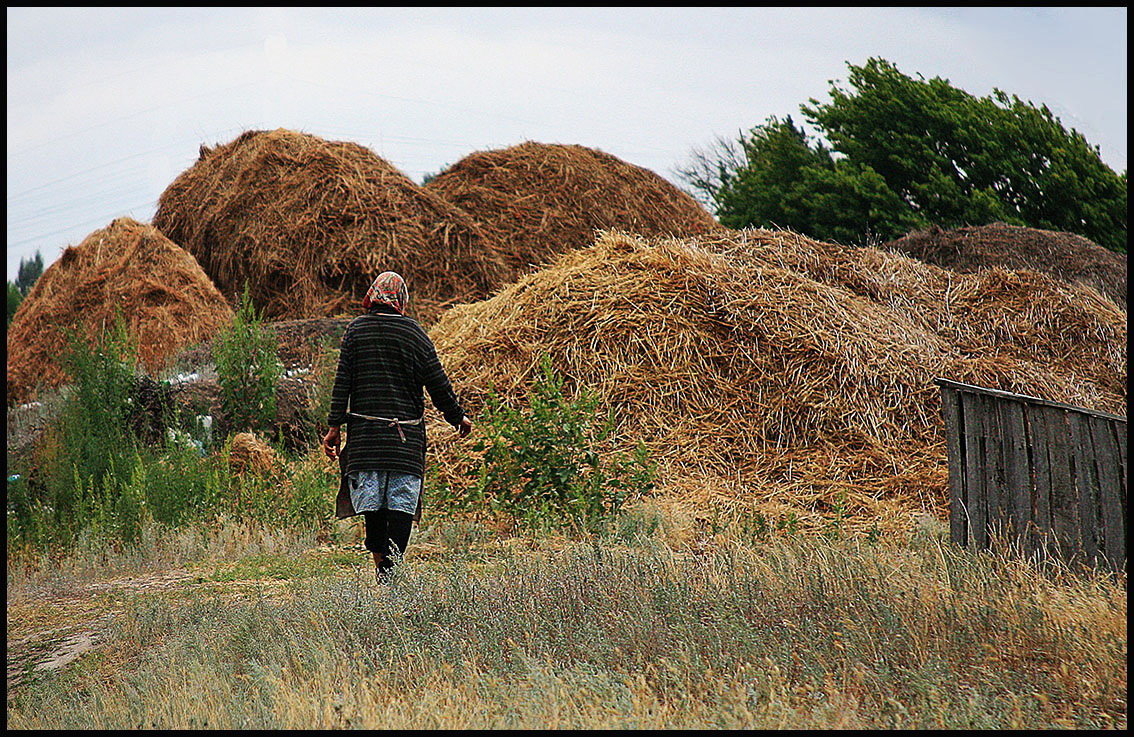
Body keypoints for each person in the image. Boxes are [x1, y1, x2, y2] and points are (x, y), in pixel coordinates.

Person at [322, 271, 472, 583]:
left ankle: (383, 572)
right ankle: (391, 574)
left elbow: (342, 383)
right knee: (401, 507)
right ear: (401, 300)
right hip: (405, 442)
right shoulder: (415, 334)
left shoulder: (356, 331)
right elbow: (438, 383)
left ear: (372, 296)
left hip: (366, 439)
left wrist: (334, 426)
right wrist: (457, 417)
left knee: (374, 508)